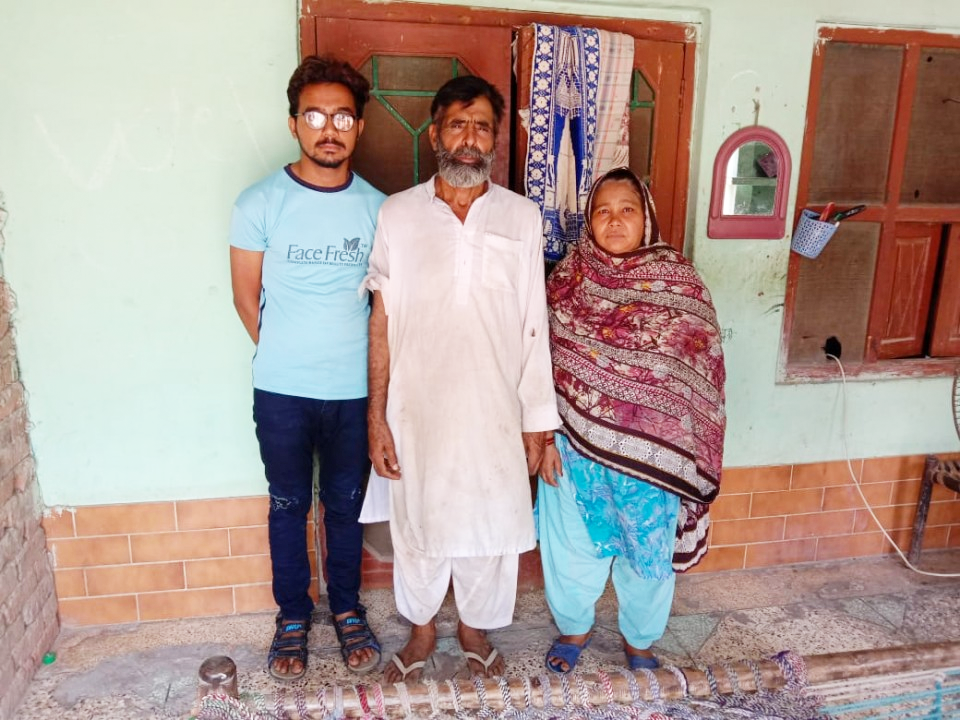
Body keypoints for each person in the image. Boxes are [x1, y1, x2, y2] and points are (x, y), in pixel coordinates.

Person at [363, 75, 560, 682]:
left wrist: (538, 424)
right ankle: (422, 633)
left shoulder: (521, 217)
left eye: (481, 127)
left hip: (495, 408)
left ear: (496, 139)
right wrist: (377, 417)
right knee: (417, 519)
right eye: (458, 124)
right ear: (435, 132)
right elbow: (382, 318)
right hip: (417, 408)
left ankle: (475, 629)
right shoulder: (397, 214)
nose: (469, 139)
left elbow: (534, 323)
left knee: (492, 522)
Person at [229, 55, 385, 681]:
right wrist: (290, 354)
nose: (330, 128)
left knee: (345, 507)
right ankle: (294, 615)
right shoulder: (259, 201)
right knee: (288, 503)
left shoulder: (379, 208)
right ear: (294, 123)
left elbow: (385, 306)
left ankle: (347, 610)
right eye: (315, 115)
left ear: (359, 127)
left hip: (354, 394)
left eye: (342, 116)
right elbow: (246, 296)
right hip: (283, 391)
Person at [537, 167, 726, 674]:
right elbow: (538, 366)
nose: (614, 220)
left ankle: (640, 642)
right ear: (588, 221)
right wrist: (543, 439)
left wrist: (681, 450)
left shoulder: (680, 283)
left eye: (627, 210)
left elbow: (700, 375)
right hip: (572, 447)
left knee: (648, 551)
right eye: (603, 210)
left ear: (646, 218)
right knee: (572, 544)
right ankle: (573, 628)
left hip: (653, 458)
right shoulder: (565, 282)